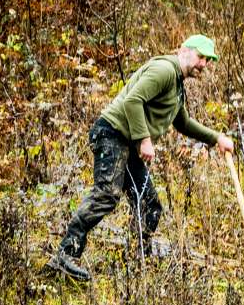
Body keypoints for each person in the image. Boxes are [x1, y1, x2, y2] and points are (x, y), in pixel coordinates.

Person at [48, 34, 233, 281]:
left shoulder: (177, 84)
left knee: (149, 205)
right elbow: (133, 100)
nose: (203, 65)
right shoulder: (164, 70)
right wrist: (144, 139)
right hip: (111, 134)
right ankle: (65, 254)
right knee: (107, 193)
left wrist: (216, 138)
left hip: (127, 142)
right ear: (184, 50)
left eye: (208, 61)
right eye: (201, 57)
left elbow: (183, 122)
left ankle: (137, 264)